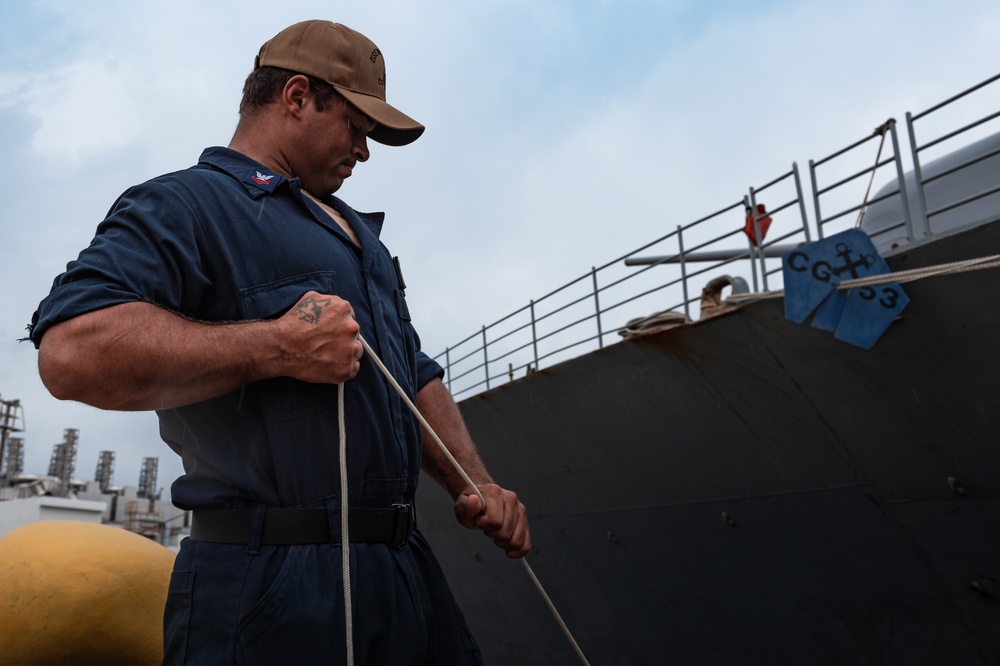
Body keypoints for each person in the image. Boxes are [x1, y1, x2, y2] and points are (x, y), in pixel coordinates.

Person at [28, 20, 529, 665]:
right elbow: (71, 351)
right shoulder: (186, 205)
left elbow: (413, 374)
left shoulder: (361, 235)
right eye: (356, 126)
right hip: (266, 586)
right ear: (296, 97)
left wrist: (479, 483)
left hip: (404, 572)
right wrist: (278, 346)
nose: (365, 151)